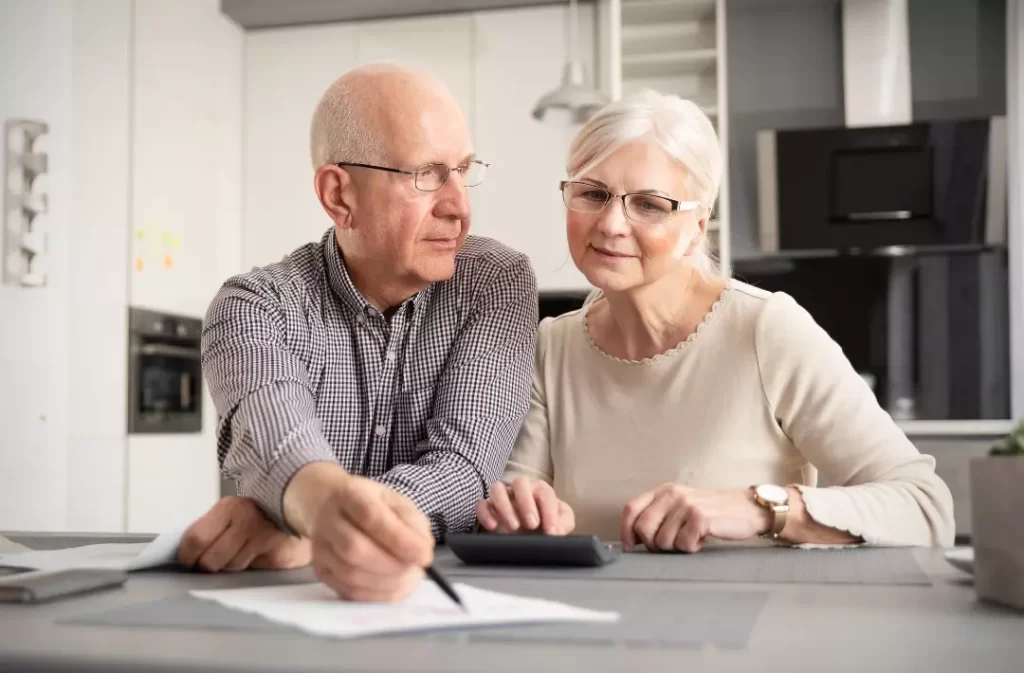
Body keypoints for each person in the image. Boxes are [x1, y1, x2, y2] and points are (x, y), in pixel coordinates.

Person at [475, 90, 955, 551]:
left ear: (697, 226)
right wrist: (516, 511)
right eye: (593, 194)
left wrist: (760, 509)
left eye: (649, 204)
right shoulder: (550, 346)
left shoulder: (766, 330)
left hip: (749, 626)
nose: (611, 224)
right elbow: (519, 501)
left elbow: (926, 508)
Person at [176, 64, 538, 601]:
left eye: (464, 170)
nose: (461, 207)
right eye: (427, 175)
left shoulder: (495, 282)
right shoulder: (253, 307)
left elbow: (465, 469)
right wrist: (318, 508)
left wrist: (304, 523)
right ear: (339, 195)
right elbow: (275, 432)